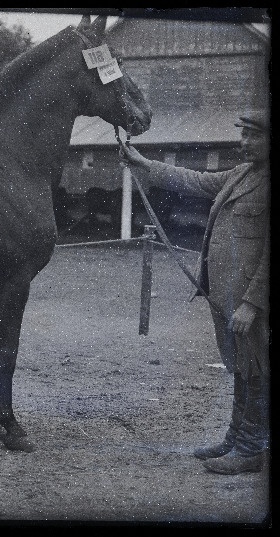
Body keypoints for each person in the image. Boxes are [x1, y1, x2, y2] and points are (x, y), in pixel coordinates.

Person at [119, 110, 270, 475]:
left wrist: (252, 303)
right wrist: (143, 164)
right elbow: (195, 180)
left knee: (258, 369)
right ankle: (237, 438)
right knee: (241, 366)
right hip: (226, 294)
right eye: (244, 135)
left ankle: (251, 448)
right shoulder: (243, 173)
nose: (244, 142)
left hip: (251, 300)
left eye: (253, 136)